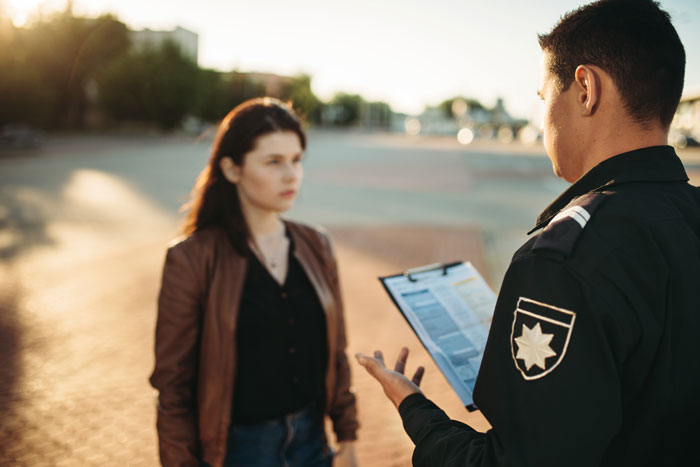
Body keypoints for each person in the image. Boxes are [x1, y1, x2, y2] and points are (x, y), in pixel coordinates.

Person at [356, 1, 700, 465]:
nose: (543, 122)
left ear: (584, 89)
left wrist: (415, 410)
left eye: (543, 99)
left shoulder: (562, 260)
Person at [149, 97, 358, 467]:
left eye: (296, 160)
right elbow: (173, 386)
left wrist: (348, 436)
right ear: (231, 169)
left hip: (313, 441)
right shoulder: (193, 258)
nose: (291, 174)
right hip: (238, 450)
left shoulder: (316, 244)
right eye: (273, 162)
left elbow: (336, 350)